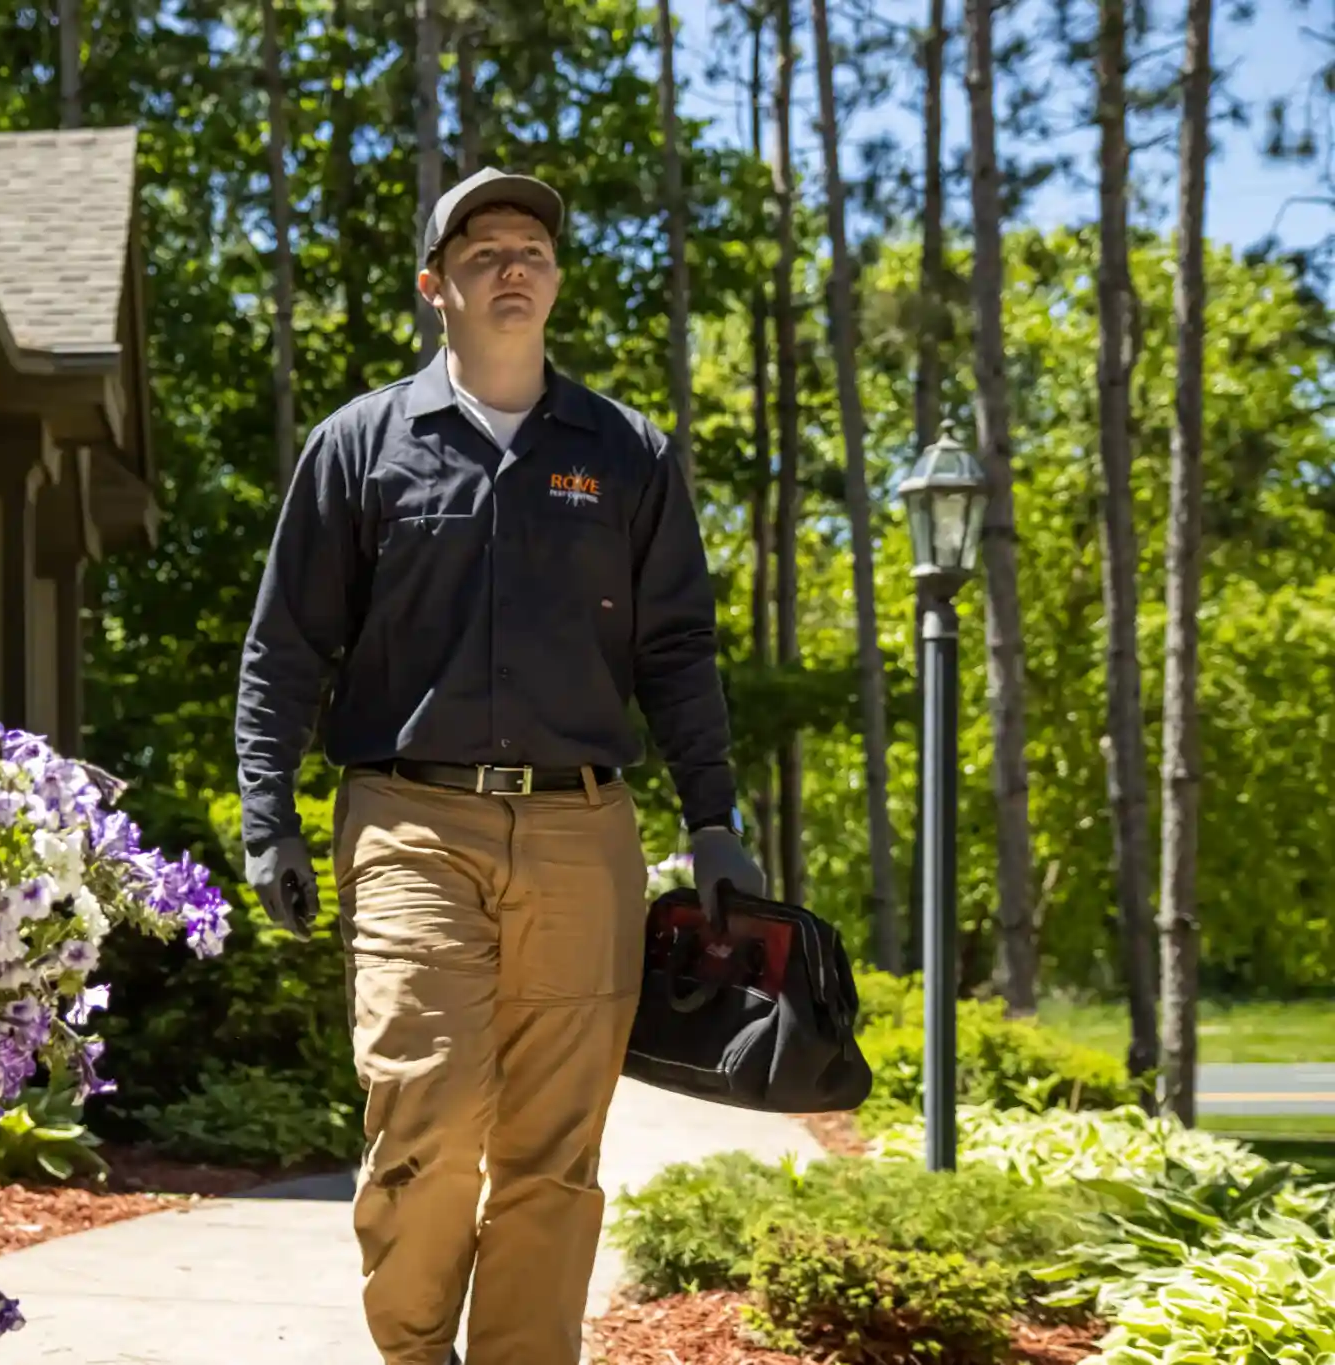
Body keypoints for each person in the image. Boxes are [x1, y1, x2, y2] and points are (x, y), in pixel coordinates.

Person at [232, 166, 764, 1365]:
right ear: (437, 288)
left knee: (551, 1155)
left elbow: (676, 648)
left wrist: (714, 815)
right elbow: (286, 647)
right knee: (421, 1124)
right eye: (481, 253)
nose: (510, 265)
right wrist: (269, 815)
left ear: (557, 281)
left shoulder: (626, 454)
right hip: (409, 824)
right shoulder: (357, 448)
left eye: (530, 248)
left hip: (585, 836)